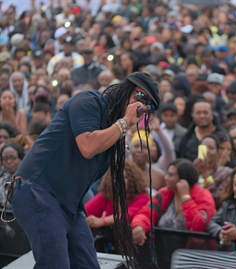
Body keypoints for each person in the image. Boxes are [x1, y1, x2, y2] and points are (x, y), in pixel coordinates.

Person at [7, 72, 160, 269]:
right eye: (139, 97)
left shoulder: (113, 133)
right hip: (37, 189)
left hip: (68, 204)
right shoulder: (89, 100)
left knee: (88, 265)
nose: (140, 106)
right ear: (125, 89)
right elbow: (87, 146)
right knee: (55, 265)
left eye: (147, 105)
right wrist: (123, 123)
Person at [132, 159, 216, 244]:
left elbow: (198, 227)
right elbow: (146, 213)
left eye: (170, 175)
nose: (165, 177)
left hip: (192, 253)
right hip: (162, 251)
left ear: (183, 178)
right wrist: (139, 225)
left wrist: (185, 197)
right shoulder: (164, 193)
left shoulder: (204, 196)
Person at [85, 160, 149, 228]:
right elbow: (86, 211)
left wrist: (102, 221)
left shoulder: (143, 198)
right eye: (115, 177)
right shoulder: (106, 196)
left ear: (133, 180)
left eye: (124, 177)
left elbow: (127, 216)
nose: (119, 180)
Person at [193, 134, 232, 209]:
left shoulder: (226, 173)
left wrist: (204, 174)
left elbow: (218, 199)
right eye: (203, 148)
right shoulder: (191, 170)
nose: (207, 151)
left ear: (218, 151)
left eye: (211, 148)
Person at [0, 142, 24, 210]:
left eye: (13, 158)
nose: (9, 161)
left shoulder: (28, 180)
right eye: (5, 158)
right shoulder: (1, 180)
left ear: (21, 159)